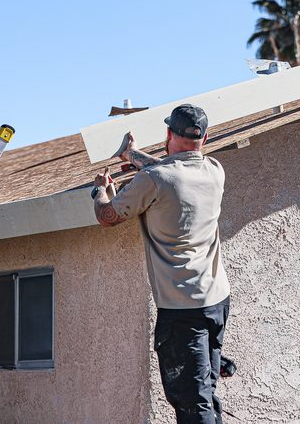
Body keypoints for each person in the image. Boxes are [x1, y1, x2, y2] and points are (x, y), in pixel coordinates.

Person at [92, 104, 230, 424]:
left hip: (182, 311)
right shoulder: (214, 170)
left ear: (168, 134)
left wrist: (99, 192)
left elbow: (108, 216)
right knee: (206, 392)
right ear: (204, 138)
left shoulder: (154, 180)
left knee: (192, 404)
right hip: (217, 302)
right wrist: (132, 155)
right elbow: (172, 172)